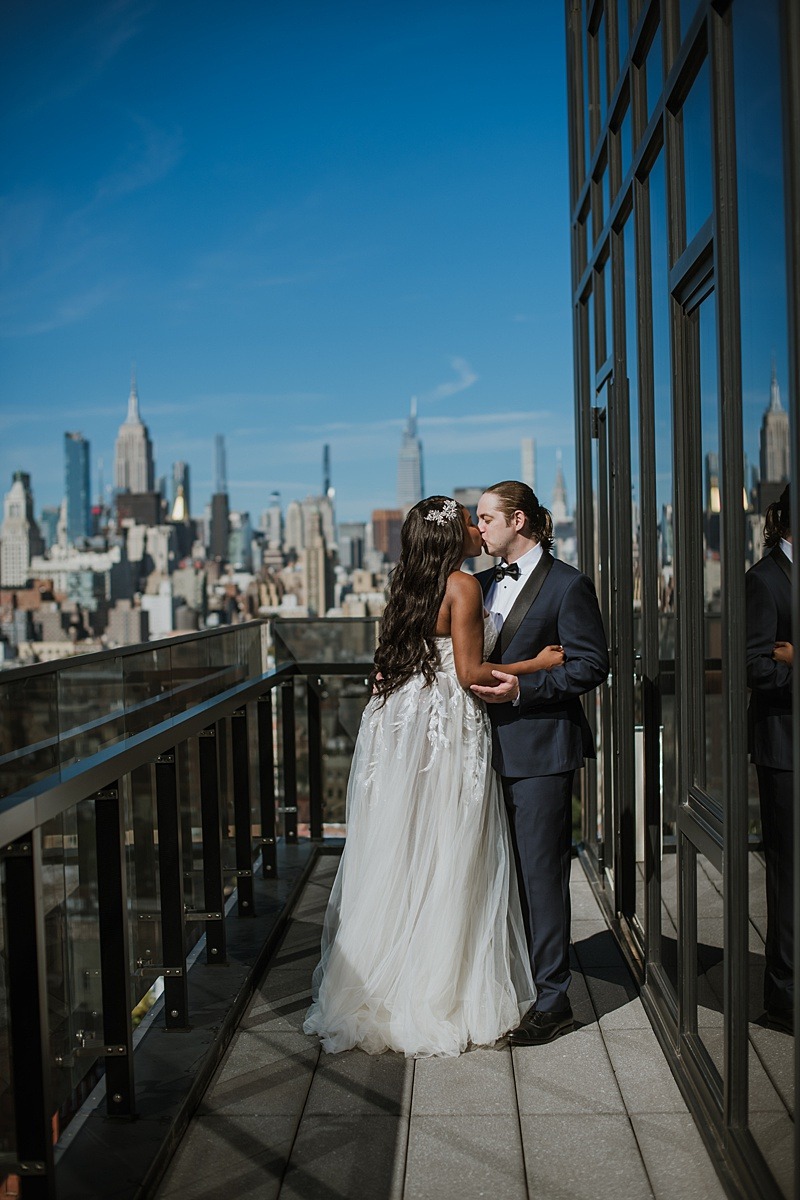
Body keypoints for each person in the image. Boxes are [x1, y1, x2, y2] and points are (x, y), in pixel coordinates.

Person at [303, 495, 566, 1057]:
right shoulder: (462, 586)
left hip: (402, 725)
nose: (477, 529)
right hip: (447, 726)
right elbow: (471, 673)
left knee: (406, 845)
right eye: (469, 522)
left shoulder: (405, 584)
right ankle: (439, 983)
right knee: (452, 845)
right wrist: (536, 665)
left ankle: (390, 978)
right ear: (450, 539)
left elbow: (392, 658)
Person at [471, 481, 609, 1045]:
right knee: (493, 873)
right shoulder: (475, 584)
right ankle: (509, 982)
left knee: (540, 876)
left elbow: (590, 665)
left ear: (518, 520)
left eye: (485, 518)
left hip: (542, 752)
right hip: (478, 752)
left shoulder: (569, 585)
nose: (477, 529)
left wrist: (523, 692)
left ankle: (553, 1001)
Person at [746, 483, 793, 1033]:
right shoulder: (762, 581)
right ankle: (783, 996)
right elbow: (756, 667)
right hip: (785, 748)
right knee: (788, 872)